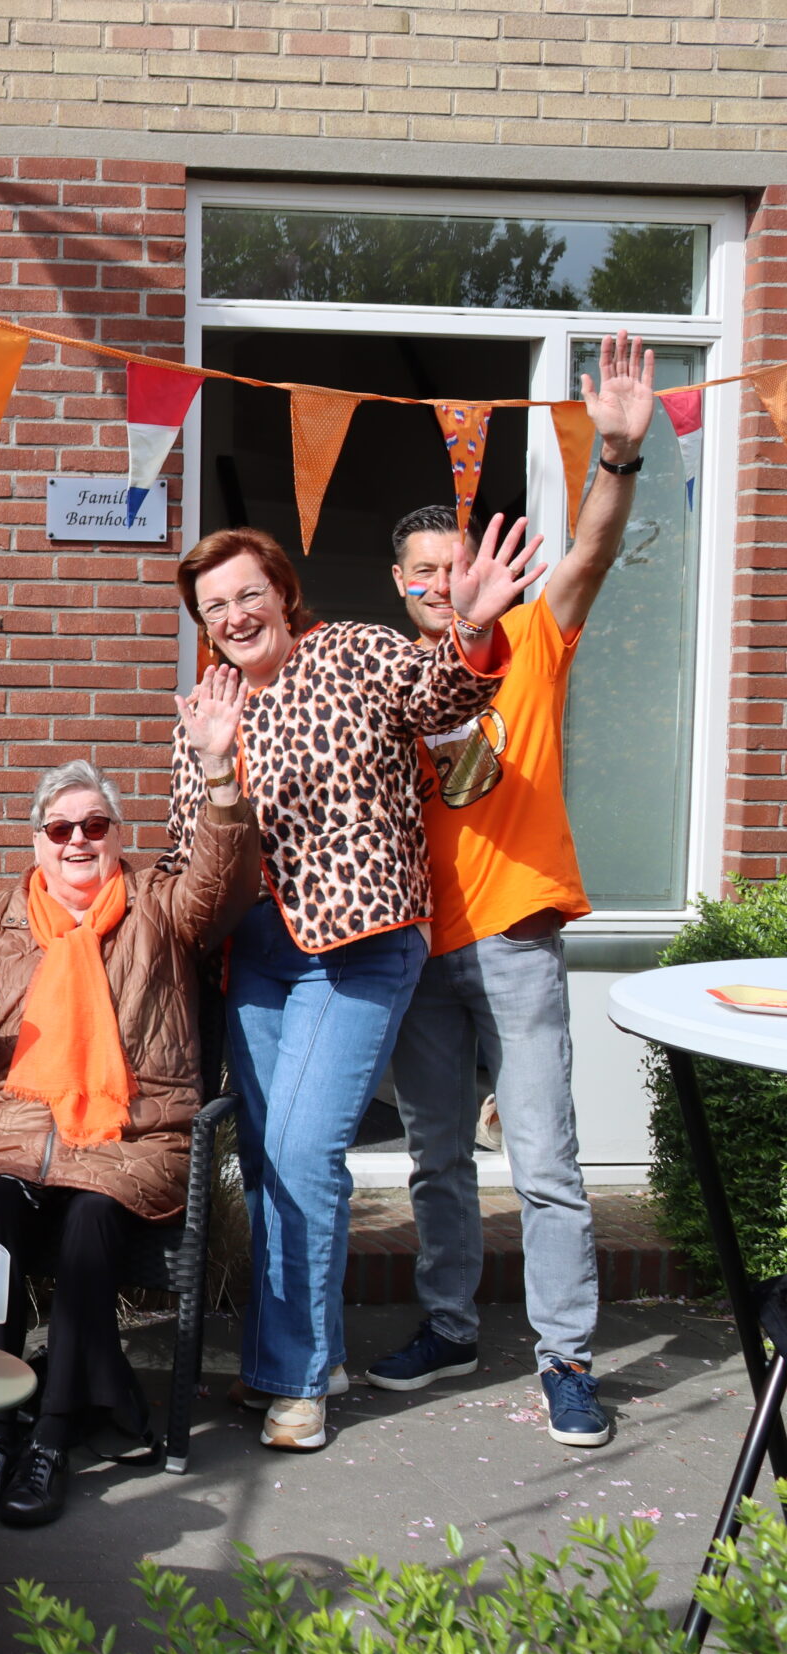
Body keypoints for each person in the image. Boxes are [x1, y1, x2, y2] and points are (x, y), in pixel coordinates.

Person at [167, 522, 541, 1451]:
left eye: (248, 593)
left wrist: (474, 630)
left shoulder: (355, 652)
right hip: (256, 953)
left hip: (361, 942)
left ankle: (298, 1380)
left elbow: (446, 691)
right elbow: (195, 866)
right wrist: (215, 767)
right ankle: (295, 1356)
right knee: (265, 1158)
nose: (234, 615)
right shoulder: (205, 711)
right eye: (214, 607)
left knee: (301, 1146)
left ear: (283, 592)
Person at [364, 333, 657, 1450]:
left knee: (544, 1161)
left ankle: (567, 1359)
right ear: (401, 586)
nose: (448, 585)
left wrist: (618, 455)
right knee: (437, 1154)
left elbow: (588, 550)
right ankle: (446, 1324)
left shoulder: (536, 637)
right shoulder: (392, 675)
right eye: (427, 574)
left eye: (459, 566)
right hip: (419, 950)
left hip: (518, 935)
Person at [0, 724, 259, 1526]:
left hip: (128, 1136)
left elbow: (225, 882)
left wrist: (218, 772)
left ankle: (52, 1435)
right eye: (60, 828)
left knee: (89, 1223)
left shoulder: (160, 907)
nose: (78, 840)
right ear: (37, 840)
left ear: (116, 836)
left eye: (94, 825)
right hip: (13, 1125)